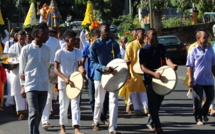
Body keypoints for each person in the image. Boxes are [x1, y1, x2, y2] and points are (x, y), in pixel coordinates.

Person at [139, 28, 177, 134]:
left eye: (156, 34)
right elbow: (143, 68)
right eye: (153, 34)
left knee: (158, 102)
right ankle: (158, 127)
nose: (155, 36)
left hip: (162, 79)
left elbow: (167, 59)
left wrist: (172, 65)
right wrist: (153, 74)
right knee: (153, 103)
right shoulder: (144, 50)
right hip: (149, 80)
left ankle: (150, 122)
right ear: (147, 36)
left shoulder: (161, 47)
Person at [19, 22, 50, 134]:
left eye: (47, 33)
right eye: (44, 33)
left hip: (44, 85)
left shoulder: (47, 49)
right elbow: (21, 70)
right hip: (31, 85)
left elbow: (47, 66)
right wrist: (22, 86)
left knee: (39, 114)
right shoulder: (26, 49)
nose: (47, 36)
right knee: (34, 112)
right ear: (36, 34)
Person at [90, 23, 121, 134]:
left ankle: (112, 127)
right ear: (100, 32)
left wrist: (122, 64)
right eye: (105, 30)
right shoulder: (95, 45)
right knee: (99, 101)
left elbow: (118, 59)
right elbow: (93, 63)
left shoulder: (114, 44)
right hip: (99, 77)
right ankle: (96, 121)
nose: (107, 32)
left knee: (113, 101)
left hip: (113, 76)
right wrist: (104, 68)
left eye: (108, 30)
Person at [54, 30, 86, 134]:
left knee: (75, 105)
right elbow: (56, 69)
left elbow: (79, 64)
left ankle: (76, 128)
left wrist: (82, 71)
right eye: (73, 40)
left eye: (76, 39)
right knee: (63, 105)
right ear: (67, 40)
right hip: (64, 82)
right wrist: (64, 78)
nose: (75, 42)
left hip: (75, 81)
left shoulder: (77, 52)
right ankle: (62, 128)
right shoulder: (60, 52)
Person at [186, 29, 215, 125]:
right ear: (198, 39)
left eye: (207, 37)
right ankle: (198, 119)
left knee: (211, 97)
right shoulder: (193, 51)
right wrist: (190, 78)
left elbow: (213, 65)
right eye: (204, 37)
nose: (206, 39)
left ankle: (203, 112)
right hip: (197, 79)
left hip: (208, 79)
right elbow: (189, 65)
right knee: (198, 100)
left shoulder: (210, 50)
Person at [82, 28, 109, 125]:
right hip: (91, 75)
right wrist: (82, 72)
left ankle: (103, 116)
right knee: (93, 98)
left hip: (102, 74)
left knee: (105, 97)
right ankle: (95, 116)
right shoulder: (87, 47)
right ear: (92, 37)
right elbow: (82, 61)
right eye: (97, 37)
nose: (98, 40)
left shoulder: (103, 47)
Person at [124, 28, 148, 115]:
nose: (144, 36)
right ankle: (136, 108)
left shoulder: (146, 45)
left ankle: (146, 108)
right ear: (137, 35)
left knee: (143, 90)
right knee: (133, 91)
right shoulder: (131, 45)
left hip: (145, 72)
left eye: (145, 34)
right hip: (133, 73)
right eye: (142, 34)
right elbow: (126, 60)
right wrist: (127, 74)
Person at [41, 29, 61, 130]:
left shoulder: (55, 42)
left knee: (49, 96)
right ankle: (40, 118)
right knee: (40, 96)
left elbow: (58, 57)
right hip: (40, 72)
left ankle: (45, 120)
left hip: (52, 72)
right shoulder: (36, 42)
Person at [9, 30, 28, 120]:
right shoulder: (12, 47)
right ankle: (21, 112)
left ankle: (27, 109)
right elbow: (8, 60)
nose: (22, 41)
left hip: (27, 72)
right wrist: (9, 66)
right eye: (20, 39)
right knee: (17, 92)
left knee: (27, 92)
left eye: (23, 39)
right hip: (16, 72)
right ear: (17, 37)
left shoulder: (28, 47)